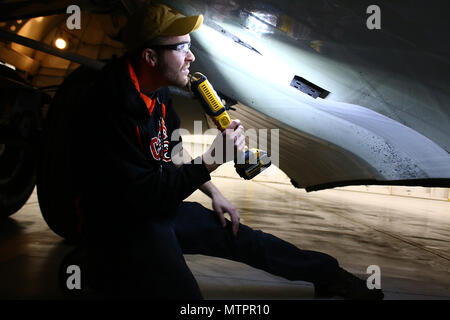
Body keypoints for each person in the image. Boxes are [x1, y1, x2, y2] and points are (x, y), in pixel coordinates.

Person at [70, 2, 384, 300]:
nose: (191, 57)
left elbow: (174, 152)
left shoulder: (158, 94)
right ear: (151, 57)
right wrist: (211, 160)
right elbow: (144, 196)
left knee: (239, 235)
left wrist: (214, 193)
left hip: (153, 211)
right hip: (121, 227)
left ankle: (327, 274)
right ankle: (98, 269)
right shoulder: (108, 109)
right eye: (181, 48)